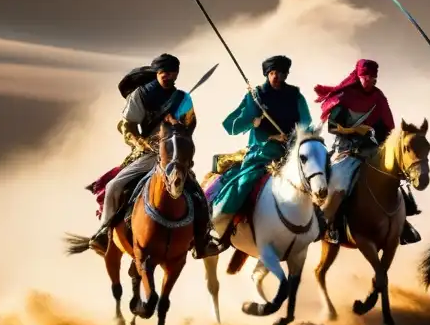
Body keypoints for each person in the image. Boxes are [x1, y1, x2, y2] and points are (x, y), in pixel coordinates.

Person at [88, 53, 223, 258]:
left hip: (173, 154)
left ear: (176, 73)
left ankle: (201, 240)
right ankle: (103, 233)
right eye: (162, 72)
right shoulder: (141, 95)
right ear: (156, 73)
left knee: (198, 194)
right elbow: (128, 126)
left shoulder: (183, 98)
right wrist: (143, 142)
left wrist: (176, 126)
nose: (167, 76)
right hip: (147, 153)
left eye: (171, 72)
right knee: (114, 186)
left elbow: (190, 124)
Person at [209, 55, 323, 249]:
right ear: (267, 74)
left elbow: (305, 124)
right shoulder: (256, 96)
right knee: (243, 183)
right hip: (261, 153)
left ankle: (322, 224)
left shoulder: (295, 96)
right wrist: (253, 122)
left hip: (290, 154)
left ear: (286, 74)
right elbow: (231, 126)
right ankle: (221, 225)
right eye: (272, 73)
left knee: (316, 176)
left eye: (280, 73)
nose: (276, 76)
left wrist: (299, 137)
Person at [313, 58, 421, 245]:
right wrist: (355, 130)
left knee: (394, 177)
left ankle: (403, 225)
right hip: (347, 151)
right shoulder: (344, 97)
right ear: (359, 76)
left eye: (374, 78)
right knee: (340, 184)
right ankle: (330, 226)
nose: (371, 81)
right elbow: (332, 127)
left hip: (372, 151)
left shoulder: (379, 98)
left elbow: (387, 129)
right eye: (367, 77)